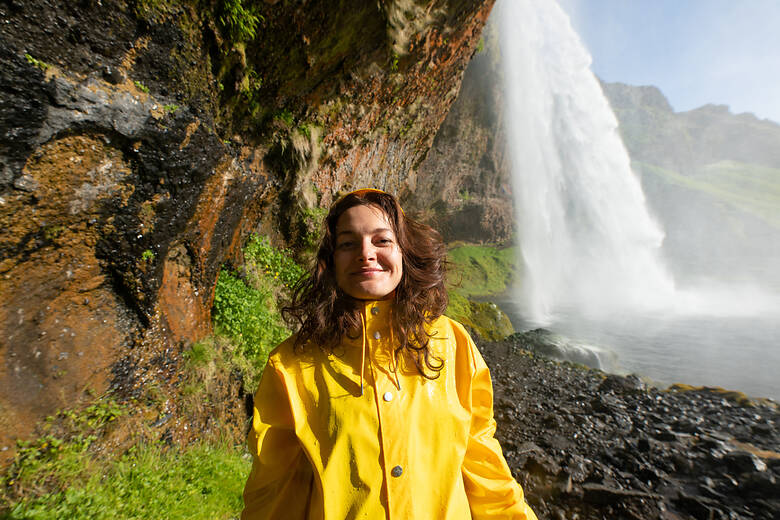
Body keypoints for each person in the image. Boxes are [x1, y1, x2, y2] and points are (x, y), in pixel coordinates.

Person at [241, 189, 537, 520]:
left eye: (382, 240)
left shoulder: (453, 343)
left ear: (404, 252)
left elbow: (483, 464)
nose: (366, 253)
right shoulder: (291, 367)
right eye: (348, 243)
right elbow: (275, 494)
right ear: (331, 261)